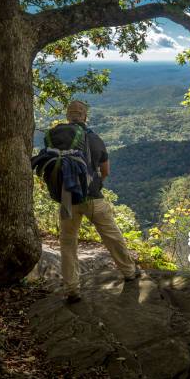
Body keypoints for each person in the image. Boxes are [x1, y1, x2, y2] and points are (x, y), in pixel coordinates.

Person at [58, 100, 140, 303]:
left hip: (67, 199)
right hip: (93, 197)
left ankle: (72, 289)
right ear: (85, 116)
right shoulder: (94, 139)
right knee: (111, 235)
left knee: (68, 243)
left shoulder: (57, 138)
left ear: (68, 116)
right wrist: (96, 183)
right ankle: (129, 272)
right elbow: (106, 171)